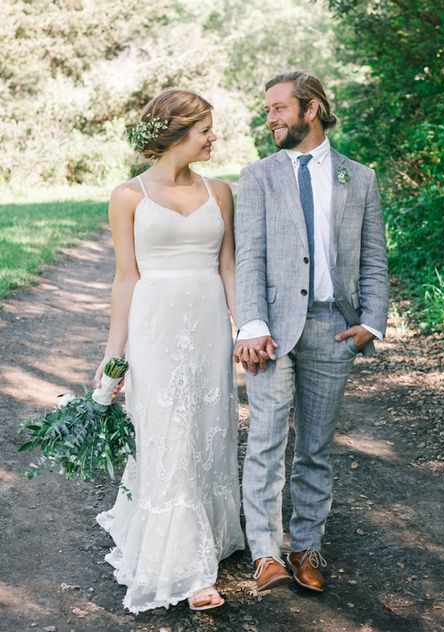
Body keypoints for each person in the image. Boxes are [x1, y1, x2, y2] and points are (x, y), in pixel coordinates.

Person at [234, 70, 389, 592]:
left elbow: (373, 259)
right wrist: (251, 324)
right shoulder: (257, 177)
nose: (270, 118)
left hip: (333, 329)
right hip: (271, 333)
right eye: (269, 110)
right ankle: (265, 553)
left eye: (279, 108)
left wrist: (371, 321)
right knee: (265, 442)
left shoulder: (359, 177)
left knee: (315, 448)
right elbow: (248, 257)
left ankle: (306, 548)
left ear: (312, 109)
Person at [94, 88, 244, 613]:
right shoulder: (127, 195)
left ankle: (207, 530)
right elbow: (125, 278)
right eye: (205, 129)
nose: (213, 137)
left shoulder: (220, 190)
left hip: (208, 325)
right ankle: (188, 567)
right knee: (170, 431)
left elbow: (228, 266)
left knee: (205, 426)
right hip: (155, 327)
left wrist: (243, 326)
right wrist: (114, 358)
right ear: (179, 132)